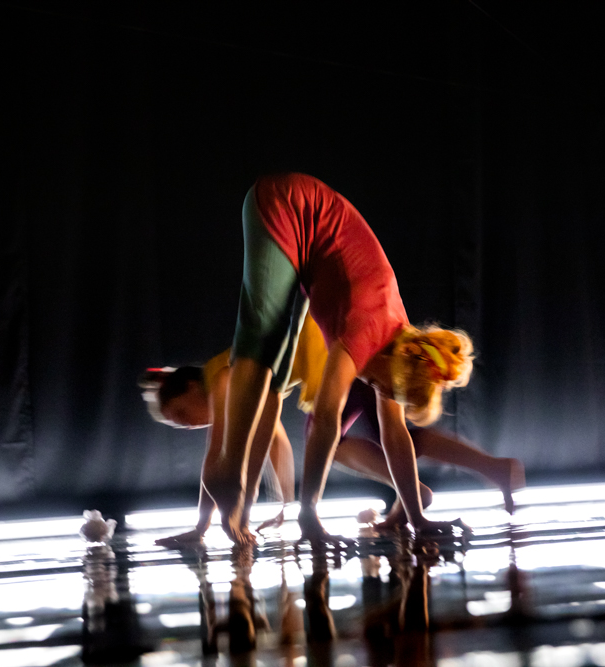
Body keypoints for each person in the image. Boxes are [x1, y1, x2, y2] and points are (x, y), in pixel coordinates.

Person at [197, 172, 494, 545]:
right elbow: (325, 420)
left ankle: (241, 491)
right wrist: (309, 514)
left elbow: (395, 434)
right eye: (381, 385)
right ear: (394, 364)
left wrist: (417, 517)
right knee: (266, 335)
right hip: (286, 202)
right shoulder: (366, 330)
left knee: (282, 372)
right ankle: (233, 474)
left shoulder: (399, 342)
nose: (374, 389)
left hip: (314, 252)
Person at [141, 315, 525, 546]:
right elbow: (274, 442)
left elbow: (220, 457)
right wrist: (284, 506)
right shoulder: (242, 384)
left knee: (356, 439)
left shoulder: (221, 379)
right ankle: (430, 489)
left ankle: (436, 487)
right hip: (343, 349)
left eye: (180, 414)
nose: (185, 424)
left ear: (193, 387)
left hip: (338, 357)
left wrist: (206, 523)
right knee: (388, 435)